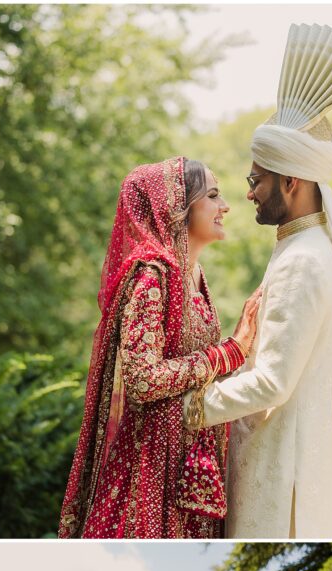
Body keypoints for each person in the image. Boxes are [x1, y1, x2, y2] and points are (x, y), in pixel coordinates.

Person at [190, 22, 332, 538]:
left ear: (291, 181)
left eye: (256, 181)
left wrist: (192, 409)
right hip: (284, 460)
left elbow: (275, 381)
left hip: (282, 480)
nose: (250, 195)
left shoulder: (304, 260)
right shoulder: (302, 248)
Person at [59, 157, 260, 539]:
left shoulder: (194, 276)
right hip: (151, 472)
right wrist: (229, 352)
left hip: (190, 463)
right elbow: (143, 378)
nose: (226, 207)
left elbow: (190, 369)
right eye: (213, 196)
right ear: (175, 208)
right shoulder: (152, 278)